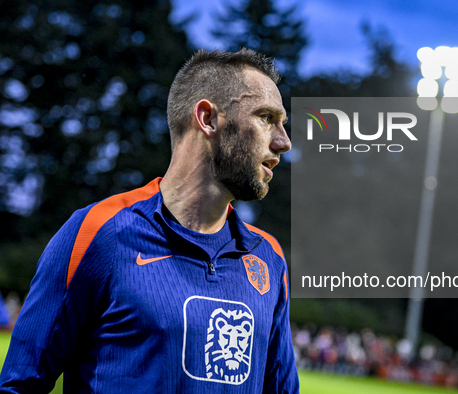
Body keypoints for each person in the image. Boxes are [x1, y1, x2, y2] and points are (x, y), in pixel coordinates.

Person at [0, 49, 298, 393]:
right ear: (208, 119)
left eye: (282, 124)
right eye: (265, 118)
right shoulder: (98, 232)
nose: (283, 142)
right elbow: (19, 385)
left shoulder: (268, 259)